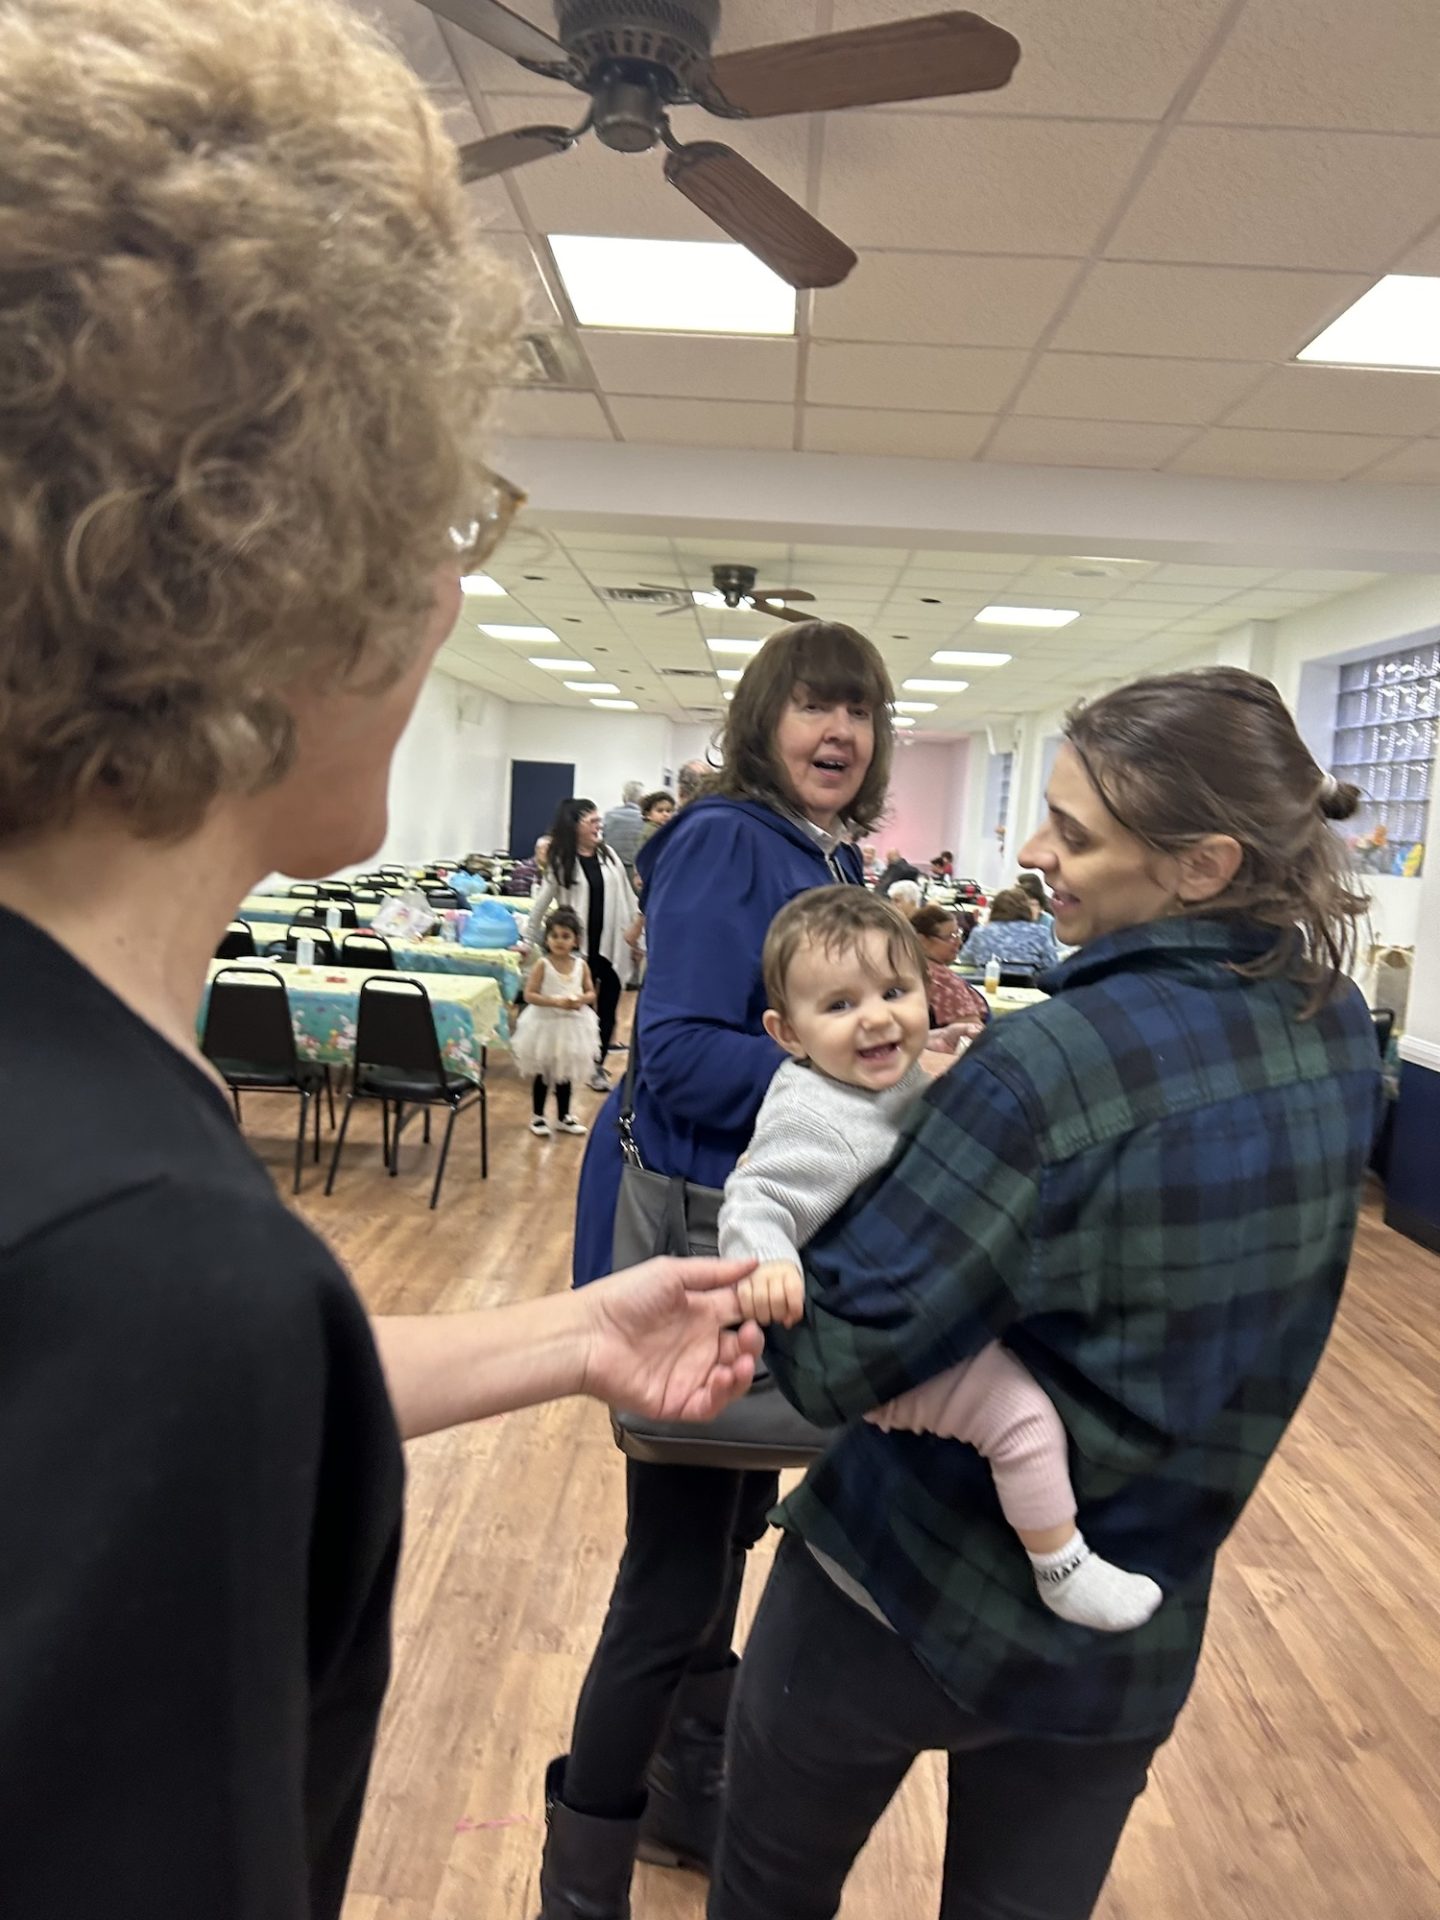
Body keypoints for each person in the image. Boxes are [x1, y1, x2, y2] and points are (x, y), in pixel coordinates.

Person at [0, 4, 769, 1913]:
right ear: (296, 586)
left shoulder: (100, 1205)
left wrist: (572, 1334)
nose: (444, 590)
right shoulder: (152, 1277)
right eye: (431, 526)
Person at [708, 667, 1382, 1920]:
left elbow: (831, 1352)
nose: (1032, 850)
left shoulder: (1048, 1068)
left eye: (1072, 832)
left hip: (906, 1591)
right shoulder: (1337, 1027)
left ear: (1201, 863)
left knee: (766, 1895)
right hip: (1139, 1612)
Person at [538, 621, 894, 1918]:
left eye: (858, 711)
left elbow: (794, 1018)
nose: (838, 732)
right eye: (814, 706)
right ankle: (583, 1870)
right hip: (691, 1253)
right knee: (672, 1577)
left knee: (725, 1536)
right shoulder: (730, 840)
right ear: (766, 718)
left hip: (749, 1251)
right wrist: (863, 1070)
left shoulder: (819, 850)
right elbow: (679, 1053)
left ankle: (687, 1806)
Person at [722, 888, 1160, 1632]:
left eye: (895, 991)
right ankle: (1061, 1565)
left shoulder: (874, 1079)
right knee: (1020, 1418)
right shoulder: (812, 1116)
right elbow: (755, 1195)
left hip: (903, 1309)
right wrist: (766, 1261)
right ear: (786, 1032)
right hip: (874, 1343)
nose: (876, 1017)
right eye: (838, 1006)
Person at [528, 800, 642, 1092]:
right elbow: (541, 904)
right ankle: (566, 1065)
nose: (598, 825)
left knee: (608, 1008)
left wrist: (637, 937)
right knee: (577, 1011)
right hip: (577, 952)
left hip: (612, 945)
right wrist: (528, 940)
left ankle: (597, 1066)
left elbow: (629, 897)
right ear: (574, 826)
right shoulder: (562, 861)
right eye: (592, 821)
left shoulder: (609, 854)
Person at [514, 906, 598, 1139]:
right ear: (547, 938)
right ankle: (538, 1115)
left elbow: (591, 992)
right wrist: (554, 1001)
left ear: (576, 940)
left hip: (572, 1026)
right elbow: (529, 994)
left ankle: (563, 1116)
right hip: (545, 1025)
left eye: (565, 936)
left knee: (565, 1073)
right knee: (543, 1072)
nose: (559, 941)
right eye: (554, 936)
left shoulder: (581, 965)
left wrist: (581, 999)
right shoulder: (543, 964)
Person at [910, 903, 991, 1044]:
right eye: (950, 937)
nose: (959, 942)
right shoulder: (942, 981)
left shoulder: (906, 966)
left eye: (958, 934)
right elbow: (976, 1034)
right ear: (922, 940)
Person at [960, 884, 1061, 973]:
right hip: (1029, 988)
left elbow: (965, 960)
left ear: (995, 909)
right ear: (1025, 909)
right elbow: (1051, 965)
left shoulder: (980, 932)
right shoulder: (1040, 932)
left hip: (987, 985)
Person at [604, 780, 648, 878]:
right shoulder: (645, 819)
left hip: (612, 868)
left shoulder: (609, 815)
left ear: (624, 798)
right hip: (636, 871)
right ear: (643, 799)